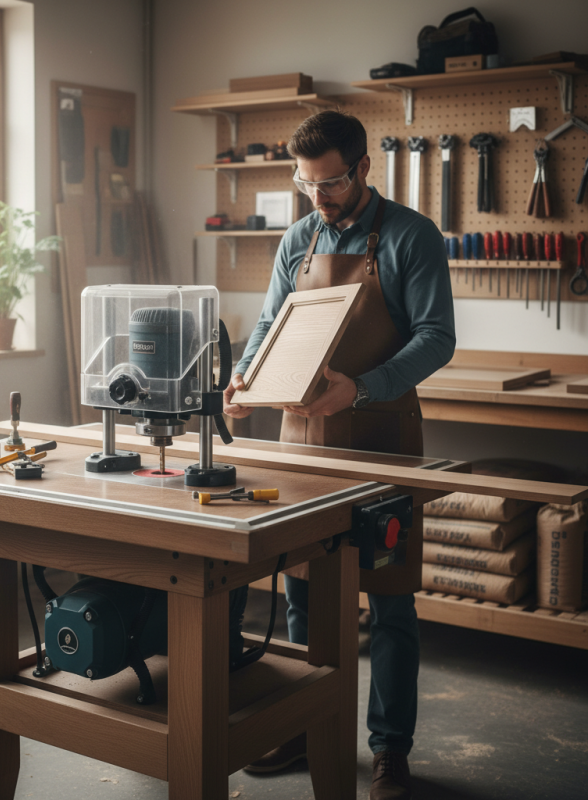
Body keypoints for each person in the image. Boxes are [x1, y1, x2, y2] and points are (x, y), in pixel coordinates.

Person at [223, 110, 455, 800]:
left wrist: (359, 389)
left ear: (360, 170)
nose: (316, 199)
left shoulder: (412, 237)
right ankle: (304, 725)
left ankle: (390, 750)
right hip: (305, 445)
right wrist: (245, 376)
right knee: (303, 590)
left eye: (327, 185)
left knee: (389, 602)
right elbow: (270, 324)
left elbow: (437, 339)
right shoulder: (298, 238)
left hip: (382, 440)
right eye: (305, 185)